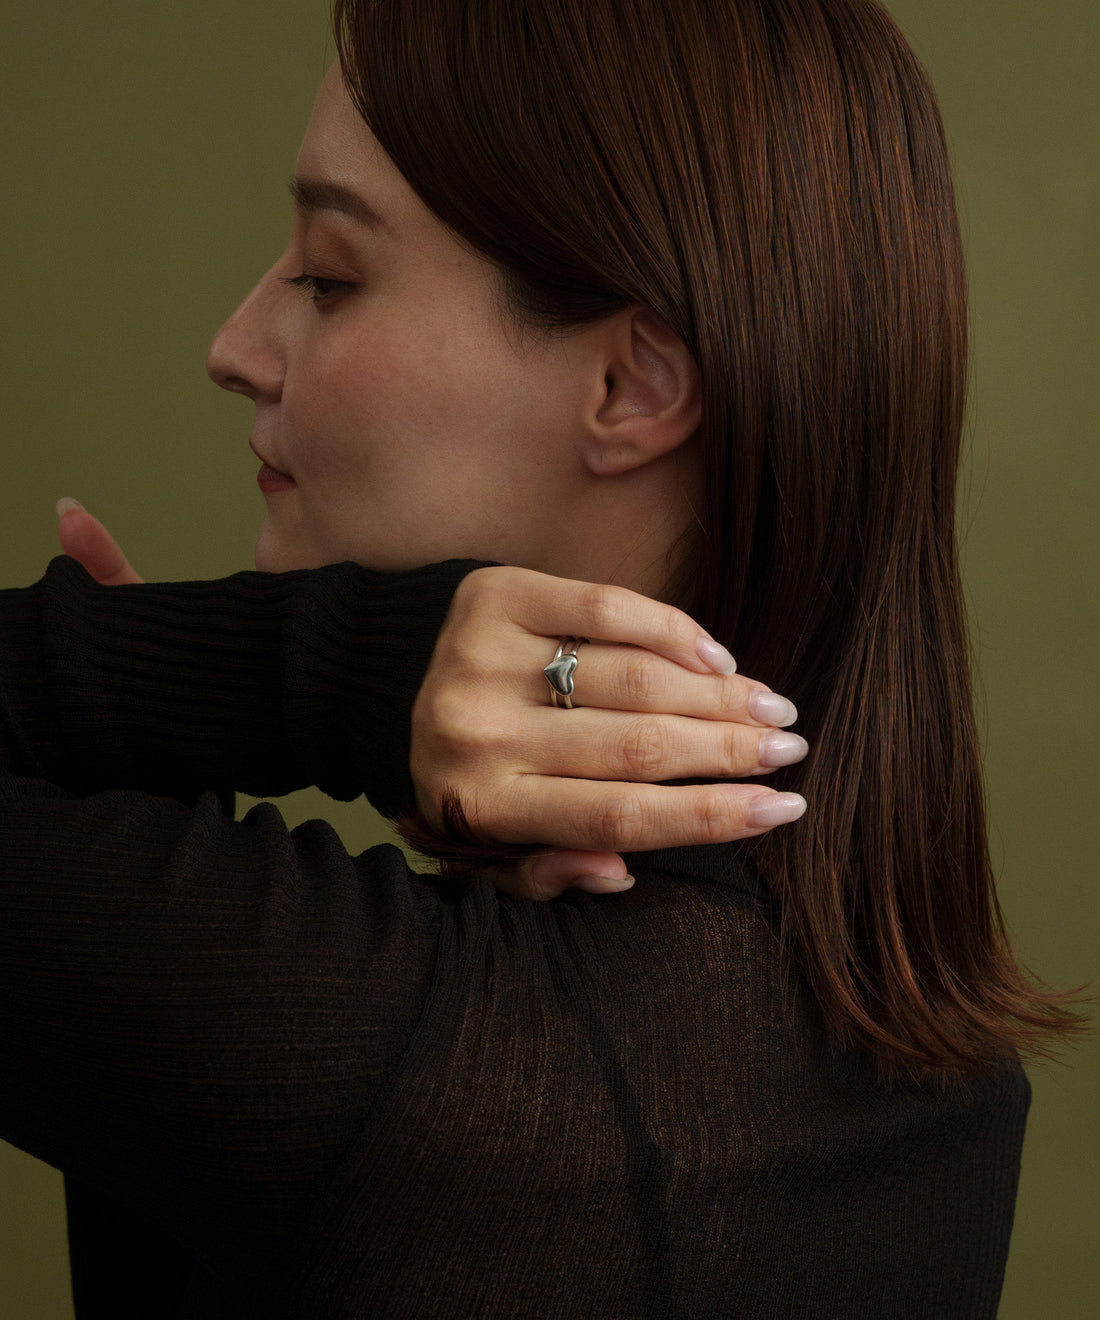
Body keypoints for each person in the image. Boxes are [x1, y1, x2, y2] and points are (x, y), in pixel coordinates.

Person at [0, 1, 1082, 1316]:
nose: (236, 349)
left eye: (331, 277)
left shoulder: (364, 1043)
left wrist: (275, 675)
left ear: (631, 388)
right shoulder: (949, 1082)